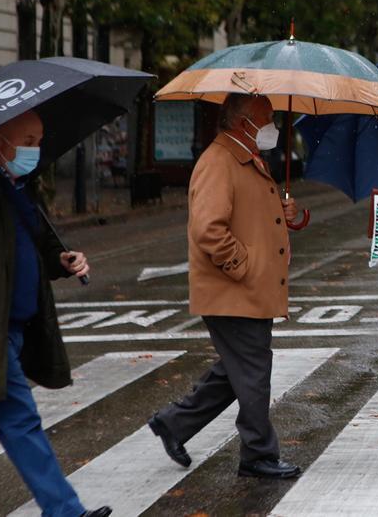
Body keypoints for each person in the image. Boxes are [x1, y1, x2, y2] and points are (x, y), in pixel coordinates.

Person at [0, 110, 111, 517]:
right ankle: (64, 511)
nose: (35, 149)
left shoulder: (17, 187)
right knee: (19, 419)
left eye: (39, 138)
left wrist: (61, 260)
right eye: (28, 139)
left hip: (10, 327)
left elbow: (29, 248)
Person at [147, 94, 302, 480]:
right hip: (234, 291)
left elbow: (255, 218)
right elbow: (208, 229)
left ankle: (174, 424)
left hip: (249, 291)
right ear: (243, 122)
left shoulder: (246, 158)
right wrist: (244, 267)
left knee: (237, 369)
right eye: (267, 119)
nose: (273, 128)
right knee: (252, 369)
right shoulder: (219, 162)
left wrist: (291, 215)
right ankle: (257, 453)